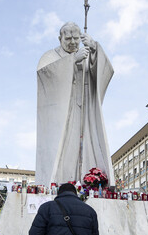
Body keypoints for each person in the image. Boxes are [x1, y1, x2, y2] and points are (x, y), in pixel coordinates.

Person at [36, 22, 114, 186]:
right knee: (65, 150)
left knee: (86, 146)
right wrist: (72, 61)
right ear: (60, 38)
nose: (72, 42)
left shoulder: (85, 53)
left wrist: (94, 49)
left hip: (84, 111)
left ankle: (86, 182)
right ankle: (60, 183)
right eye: (68, 38)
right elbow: (45, 75)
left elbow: (104, 72)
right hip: (63, 114)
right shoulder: (50, 56)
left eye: (76, 38)